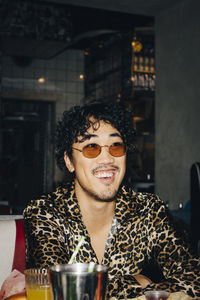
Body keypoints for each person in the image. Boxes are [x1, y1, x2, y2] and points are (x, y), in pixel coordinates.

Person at [23, 101, 200, 299]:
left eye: (116, 146)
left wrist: (134, 284)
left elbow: (194, 278)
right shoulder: (45, 212)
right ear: (69, 161)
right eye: (91, 147)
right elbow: (57, 291)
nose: (107, 159)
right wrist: (138, 281)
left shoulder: (148, 210)